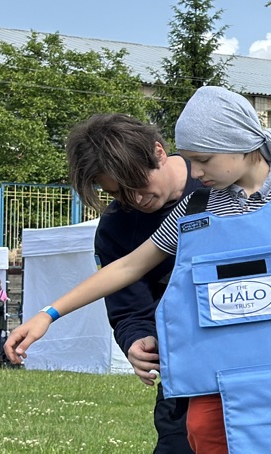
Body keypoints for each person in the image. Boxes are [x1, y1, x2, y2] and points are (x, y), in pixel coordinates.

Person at [6, 85, 271, 454]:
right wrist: (48, 314)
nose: (195, 171)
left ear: (245, 144)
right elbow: (130, 266)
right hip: (210, 380)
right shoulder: (194, 211)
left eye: (203, 159)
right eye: (190, 159)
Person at [66, 113, 204, 454]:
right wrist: (136, 338)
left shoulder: (218, 184)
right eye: (119, 192)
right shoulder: (116, 227)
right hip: (182, 377)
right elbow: (128, 306)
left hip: (258, 368)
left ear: (158, 152)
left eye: (137, 183)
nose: (135, 199)